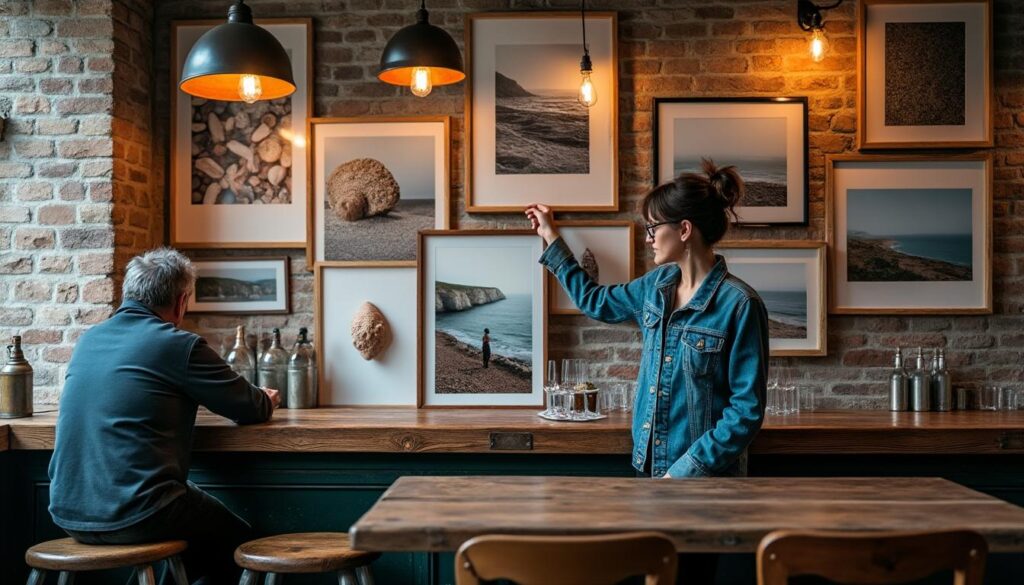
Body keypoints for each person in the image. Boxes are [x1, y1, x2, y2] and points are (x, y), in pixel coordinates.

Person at [526, 159, 769, 585]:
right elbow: (597, 301)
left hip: (702, 482)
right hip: (648, 471)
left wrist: (686, 470)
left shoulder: (740, 305)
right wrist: (551, 237)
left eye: (654, 227)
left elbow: (746, 411)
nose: (649, 237)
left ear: (685, 230)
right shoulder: (654, 288)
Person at [48, 248, 281, 585]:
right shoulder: (178, 345)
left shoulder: (89, 340)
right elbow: (250, 407)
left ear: (129, 292)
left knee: (185, 536)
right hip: (136, 513)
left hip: (67, 511)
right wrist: (267, 399)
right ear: (181, 301)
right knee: (241, 547)